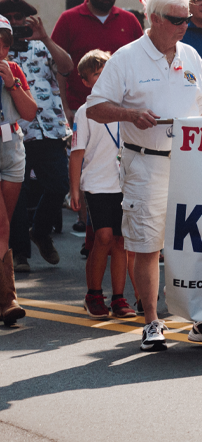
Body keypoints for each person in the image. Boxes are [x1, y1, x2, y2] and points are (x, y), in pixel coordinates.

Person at [83, 0, 202, 352]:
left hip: (189, 163)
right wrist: (130, 114)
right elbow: (95, 108)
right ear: (155, 19)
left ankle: (200, 316)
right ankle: (151, 320)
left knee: (195, 243)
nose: (185, 27)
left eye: (188, 19)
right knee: (148, 244)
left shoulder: (191, 54)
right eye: (178, 20)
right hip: (145, 161)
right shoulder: (126, 58)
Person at [0, 0, 74, 274]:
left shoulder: (42, 47)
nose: (16, 22)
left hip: (48, 128)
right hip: (15, 134)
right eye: (9, 17)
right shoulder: (1, 52)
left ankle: (40, 230)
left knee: (59, 184)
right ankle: (20, 254)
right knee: (17, 198)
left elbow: (67, 67)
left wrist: (46, 37)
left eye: (20, 17)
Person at [69, 50, 132, 319]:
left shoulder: (124, 108)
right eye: (96, 74)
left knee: (120, 241)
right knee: (103, 237)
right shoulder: (85, 113)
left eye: (106, 71)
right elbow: (77, 153)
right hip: (97, 183)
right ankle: (93, 294)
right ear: (86, 82)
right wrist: (75, 190)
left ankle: (119, 298)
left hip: (123, 183)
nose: (103, 77)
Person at [51, 0, 143, 113]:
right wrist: (65, 109)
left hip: (124, 109)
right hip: (81, 109)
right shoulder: (68, 19)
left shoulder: (129, 20)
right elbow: (57, 69)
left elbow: (142, 62)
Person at [0, 16, 37, 328]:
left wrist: (11, 83)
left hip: (11, 150)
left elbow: (29, 112)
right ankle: (8, 299)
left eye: (4, 43)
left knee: (5, 226)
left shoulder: (13, 70)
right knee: (0, 227)